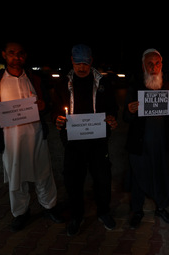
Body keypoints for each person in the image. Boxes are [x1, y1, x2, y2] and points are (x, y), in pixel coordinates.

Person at [0, 41, 63, 232]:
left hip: (36, 135)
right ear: (4, 54)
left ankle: (49, 206)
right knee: (16, 177)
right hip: (10, 139)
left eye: (20, 54)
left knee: (43, 173)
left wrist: (44, 107)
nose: (16, 57)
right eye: (12, 53)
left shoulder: (34, 79)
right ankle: (20, 213)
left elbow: (46, 106)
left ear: (25, 56)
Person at [53, 44, 118, 236]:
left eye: (86, 63)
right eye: (78, 63)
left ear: (91, 62)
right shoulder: (63, 83)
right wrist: (57, 119)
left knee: (103, 178)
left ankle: (103, 212)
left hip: (98, 142)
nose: (82, 67)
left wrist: (112, 119)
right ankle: (77, 215)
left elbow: (113, 107)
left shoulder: (103, 83)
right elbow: (56, 108)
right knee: (73, 180)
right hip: (73, 143)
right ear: (72, 61)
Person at [123, 49, 169, 229]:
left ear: (162, 64)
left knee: (163, 175)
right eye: (150, 64)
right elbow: (126, 117)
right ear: (144, 66)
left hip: (162, 142)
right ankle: (137, 211)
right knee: (139, 176)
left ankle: (161, 207)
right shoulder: (135, 86)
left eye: (157, 63)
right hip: (141, 143)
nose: (154, 67)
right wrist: (130, 110)